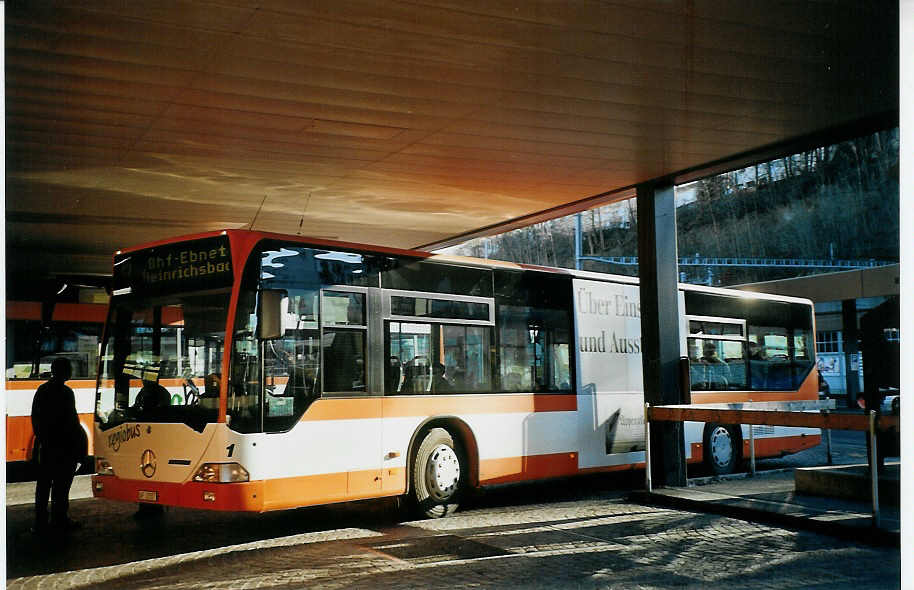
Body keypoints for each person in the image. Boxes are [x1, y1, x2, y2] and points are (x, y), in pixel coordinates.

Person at [31, 357, 84, 533]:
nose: (71, 372)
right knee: (61, 487)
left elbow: (36, 419)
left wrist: (43, 440)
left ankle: (41, 521)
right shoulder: (66, 393)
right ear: (63, 371)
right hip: (63, 447)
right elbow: (72, 422)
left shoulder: (42, 390)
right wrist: (78, 447)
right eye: (69, 368)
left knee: (44, 485)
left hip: (47, 446)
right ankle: (59, 519)